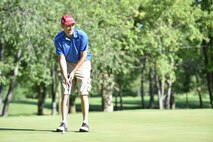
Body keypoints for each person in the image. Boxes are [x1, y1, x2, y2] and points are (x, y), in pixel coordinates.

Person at [54, 15, 92, 132]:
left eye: (72, 25)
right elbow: (61, 58)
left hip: (83, 63)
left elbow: (84, 56)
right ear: (62, 26)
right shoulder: (58, 39)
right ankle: (63, 122)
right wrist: (66, 75)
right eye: (67, 25)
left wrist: (74, 71)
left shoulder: (82, 36)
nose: (70, 27)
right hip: (68, 63)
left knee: (83, 92)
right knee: (66, 92)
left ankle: (85, 123)